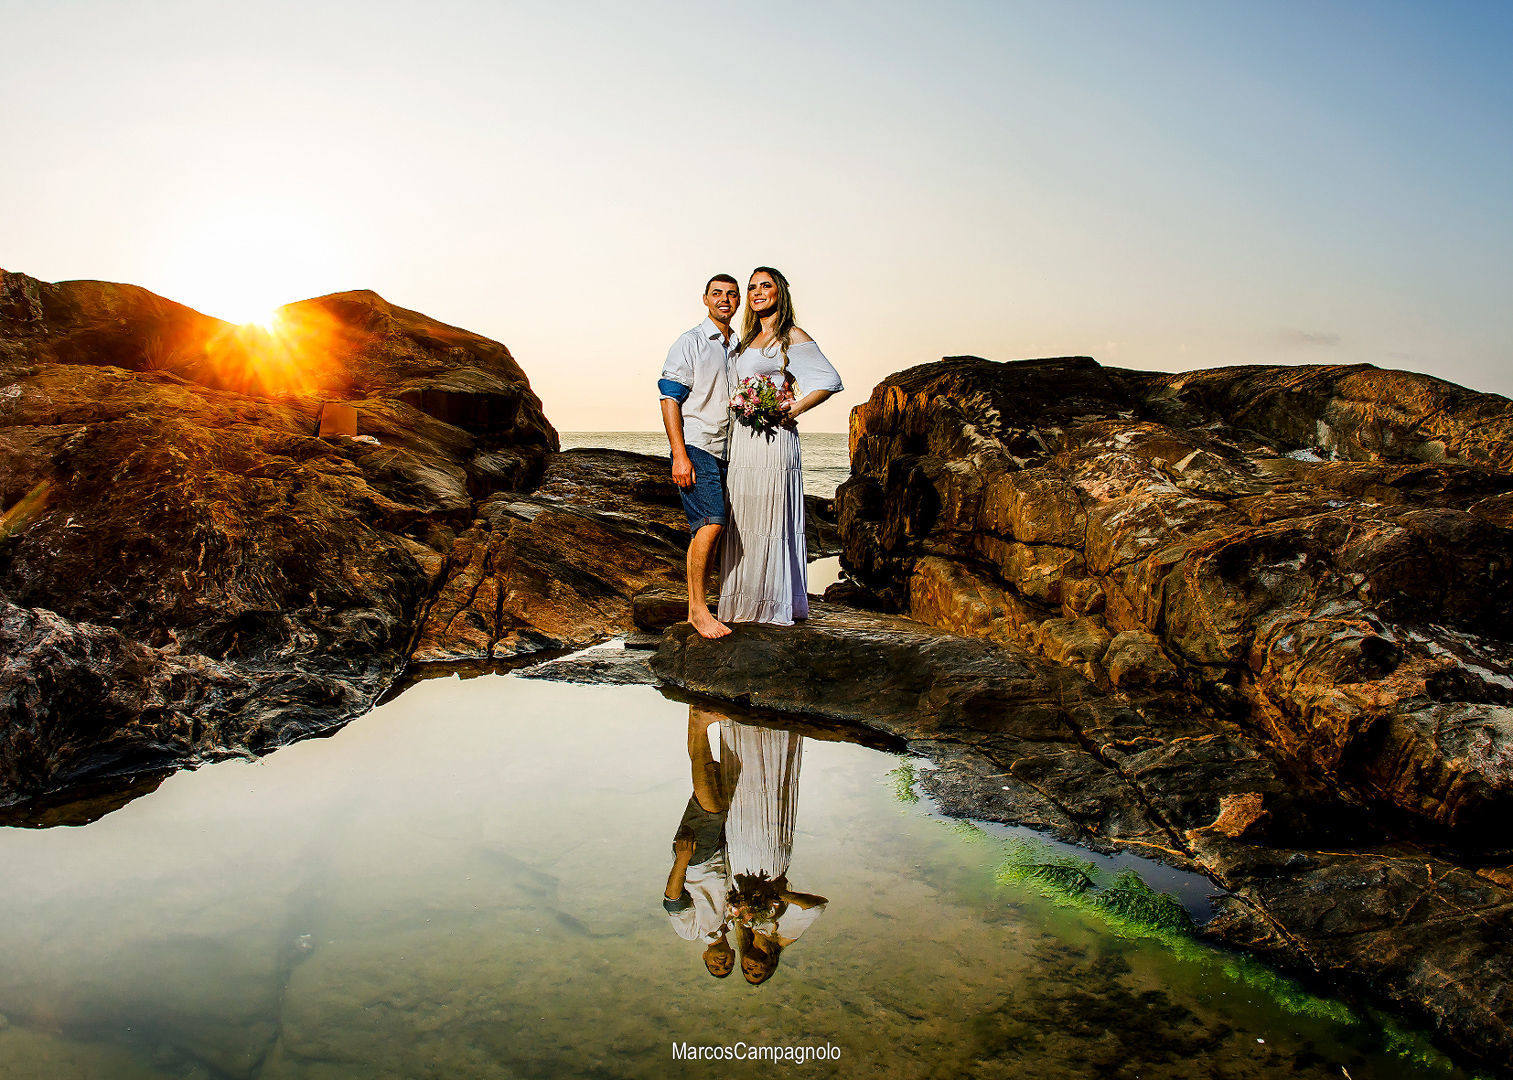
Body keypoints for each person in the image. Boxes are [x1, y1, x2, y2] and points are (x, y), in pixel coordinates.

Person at [717, 267, 843, 626]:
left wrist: (796, 406)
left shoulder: (790, 335)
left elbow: (829, 380)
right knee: (745, 518)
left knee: (771, 519)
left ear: (780, 292)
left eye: (765, 286)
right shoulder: (748, 339)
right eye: (752, 287)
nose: (758, 292)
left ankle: (772, 605)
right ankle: (746, 602)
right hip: (744, 441)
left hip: (774, 439)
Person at [659, 274, 742, 638]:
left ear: (738, 302)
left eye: (731, 295)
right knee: (710, 523)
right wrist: (679, 454)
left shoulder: (739, 347)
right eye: (717, 294)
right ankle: (697, 610)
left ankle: (717, 601)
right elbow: (669, 398)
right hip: (697, 445)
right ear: (705, 299)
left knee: (719, 530)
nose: (724, 300)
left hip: (732, 450)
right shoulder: (690, 342)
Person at [718, 715, 828, 985]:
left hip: (741, 858)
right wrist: (783, 894)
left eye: (746, 971)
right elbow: (816, 908)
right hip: (771, 858)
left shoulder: (741, 926)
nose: (751, 967)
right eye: (758, 972)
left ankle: (739, 726)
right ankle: (774, 726)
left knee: (741, 799)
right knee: (772, 795)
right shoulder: (783, 936)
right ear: (771, 966)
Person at [661, 706, 735, 978]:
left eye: (715, 966)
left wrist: (682, 859)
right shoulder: (730, 922)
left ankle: (702, 723)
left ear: (705, 957)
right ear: (732, 956)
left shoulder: (691, 932)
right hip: (717, 853)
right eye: (726, 965)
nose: (721, 963)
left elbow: (672, 900)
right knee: (710, 783)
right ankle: (696, 714)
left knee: (711, 807)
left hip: (696, 860)